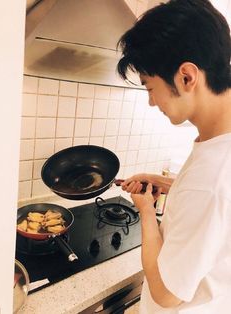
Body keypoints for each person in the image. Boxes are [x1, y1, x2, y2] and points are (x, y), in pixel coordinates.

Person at [116, 0, 231, 313]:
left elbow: (167, 293)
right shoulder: (219, 147)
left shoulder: (210, 177)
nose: (152, 102)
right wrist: (163, 181)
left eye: (149, 87)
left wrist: (145, 211)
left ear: (187, 77)